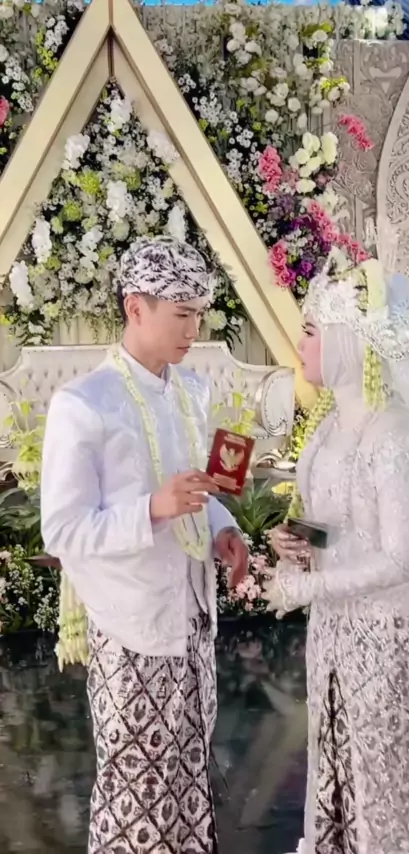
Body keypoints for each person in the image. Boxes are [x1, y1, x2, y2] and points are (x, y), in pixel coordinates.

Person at [263, 254, 409, 854]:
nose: (300, 345)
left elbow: (401, 560)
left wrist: (306, 588)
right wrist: (295, 544)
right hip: (336, 636)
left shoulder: (399, 437)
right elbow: (334, 527)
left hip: (392, 642)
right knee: (342, 779)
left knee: (387, 795)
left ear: (350, 340)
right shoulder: (330, 427)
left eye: (311, 331)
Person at [40, 236, 249, 854]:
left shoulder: (192, 391)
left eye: (199, 314)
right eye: (181, 314)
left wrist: (223, 529)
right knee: (136, 795)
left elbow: (195, 491)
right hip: (132, 630)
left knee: (189, 784)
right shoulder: (84, 404)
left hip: (193, 623)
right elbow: (64, 530)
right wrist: (152, 509)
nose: (193, 329)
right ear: (136, 307)